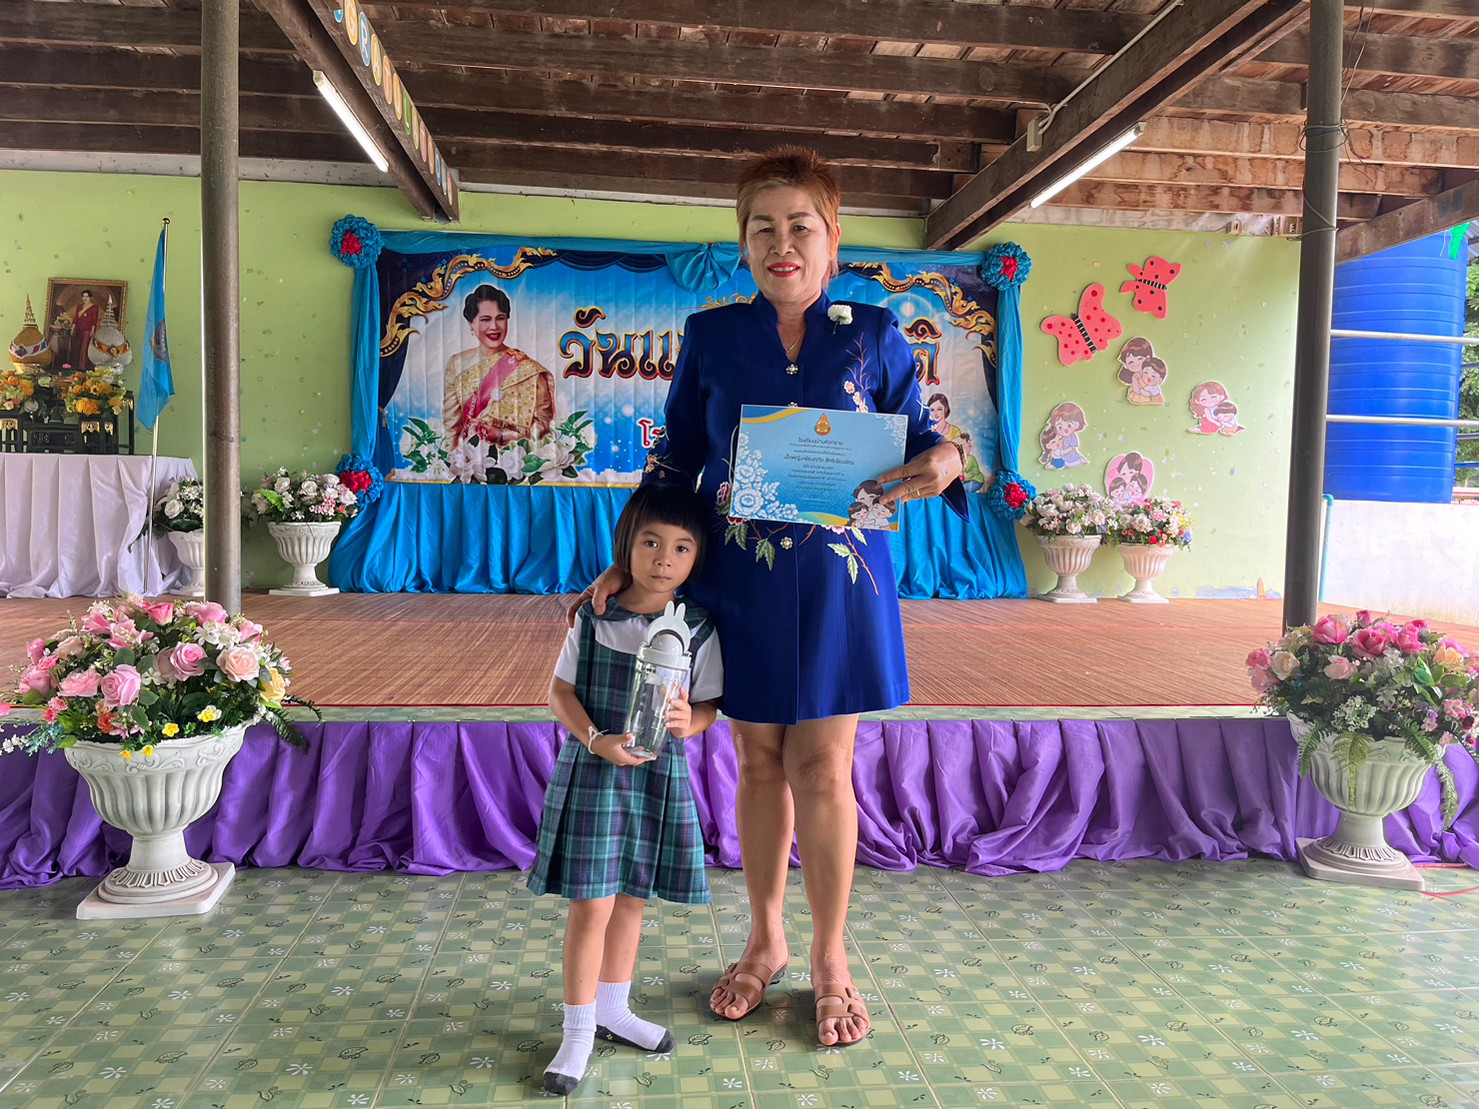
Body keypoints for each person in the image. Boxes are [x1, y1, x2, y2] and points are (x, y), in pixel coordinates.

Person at [581, 146, 965, 1048]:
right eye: (762, 228)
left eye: (800, 227)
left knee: (823, 767)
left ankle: (830, 957)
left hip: (840, 581)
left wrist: (947, 459)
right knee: (757, 765)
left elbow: (925, 436)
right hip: (737, 578)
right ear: (742, 243)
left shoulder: (877, 333)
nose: (780, 244)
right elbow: (675, 460)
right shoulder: (711, 335)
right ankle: (765, 938)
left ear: (832, 238)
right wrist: (630, 561)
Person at [529, 484, 724, 1096]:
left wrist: (689, 721)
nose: (664, 559)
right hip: (595, 771)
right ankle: (577, 1030)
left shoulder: (699, 627)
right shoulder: (594, 616)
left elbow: (709, 705)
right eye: (651, 543)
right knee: (592, 904)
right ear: (627, 546)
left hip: (656, 776)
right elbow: (560, 692)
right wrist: (595, 740)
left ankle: (614, 1008)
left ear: (697, 556)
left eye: (682, 547)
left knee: (633, 898)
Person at [442, 284, 555, 449]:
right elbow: (451, 428)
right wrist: (451, 459)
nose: (494, 327)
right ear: (471, 323)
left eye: (500, 318)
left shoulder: (528, 369)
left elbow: (544, 425)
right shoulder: (457, 364)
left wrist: (503, 436)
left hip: (516, 457)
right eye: (485, 319)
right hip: (468, 458)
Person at [1038, 401, 1088, 469]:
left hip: (1070, 457)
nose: (1065, 430)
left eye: (1069, 425)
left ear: (1076, 425)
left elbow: (1072, 448)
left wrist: (1062, 452)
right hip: (1061, 457)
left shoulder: (1072, 437)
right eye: (1060, 427)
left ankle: (1080, 459)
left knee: (1069, 461)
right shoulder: (1057, 435)